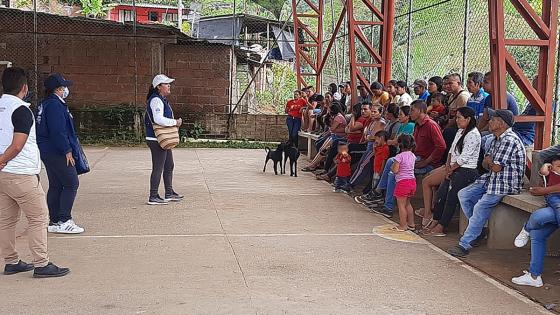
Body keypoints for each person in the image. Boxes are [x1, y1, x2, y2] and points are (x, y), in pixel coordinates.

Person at [0, 67, 70, 277]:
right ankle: (41, 263)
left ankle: (11, 261)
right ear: (24, 87)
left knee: (7, 220)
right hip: (20, 173)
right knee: (39, 217)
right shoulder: (21, 110)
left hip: (4, 175)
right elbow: (17, 145)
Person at [447, 109, 526, 257]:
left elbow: (496, 167)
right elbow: (485, 164)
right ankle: (479, 229)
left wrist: (490, 162)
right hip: (491, 178)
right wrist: (490, 162)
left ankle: (465, 244)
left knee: (480, 207)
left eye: (492, 119)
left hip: (505, 183)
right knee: (464, 194)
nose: (489, 122)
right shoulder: (495, 139)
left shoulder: (509, 140)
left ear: (501, 123)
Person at [372, 100, 446, 217]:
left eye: (412, 110)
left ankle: (383, 200)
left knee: (393, 166)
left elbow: (441, 146)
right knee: (392, 167)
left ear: (421, 111)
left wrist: (426, 162)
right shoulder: (417, 125)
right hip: (414, 157)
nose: (410, 112)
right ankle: (383, 198)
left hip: (425, 161)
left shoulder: (431, 125)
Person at [35, 74, 84, 234]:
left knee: (56, 184)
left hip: (47, 149)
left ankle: (55, 220)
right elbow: (58, 131)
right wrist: (67, 150)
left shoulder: (45, 104)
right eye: (63, 87)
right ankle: (64, 219)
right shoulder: (55, 105)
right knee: (71, 182)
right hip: (56, 150)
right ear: (58, 89)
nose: (66, 90)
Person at [423, 107, 481, 236]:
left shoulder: (474, 134)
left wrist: (451, 169)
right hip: (454, 168)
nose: (457, 120)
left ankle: (442, 226)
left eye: (459, 117)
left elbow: (464, 157)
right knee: (441, 194)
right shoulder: (460, 131)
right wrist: (448, 167)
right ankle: (436, 219)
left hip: (467, 170)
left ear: (468, 119)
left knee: (451, 197)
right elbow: (451, 150)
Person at [511, 155, 560, 287]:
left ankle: (526, 228)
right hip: (554, 204)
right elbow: (544, 173)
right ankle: (534, 276)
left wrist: (544, 191)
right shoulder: (552, 170)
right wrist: (545, 167)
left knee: (539, 216)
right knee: (537, 233)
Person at [145, 74, 184, 205]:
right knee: (158, 167)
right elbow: (158, 119)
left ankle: (169, 192)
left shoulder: (162, 99)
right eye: (166, 84)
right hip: (156, 139)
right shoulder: (156, 100)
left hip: (162, 139)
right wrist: (175, 122)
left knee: (169, 165)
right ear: (159, 87)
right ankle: (153, 196)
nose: (169, 86)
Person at [389, 134, 417, 231]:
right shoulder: (413, 156)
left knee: (401, 205)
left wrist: (392, 166)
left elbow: (395, 170)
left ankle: (403, 225)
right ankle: (411, 224)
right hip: (412, 181)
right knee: (408, 204)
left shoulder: (399, 156)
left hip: (402, 182)